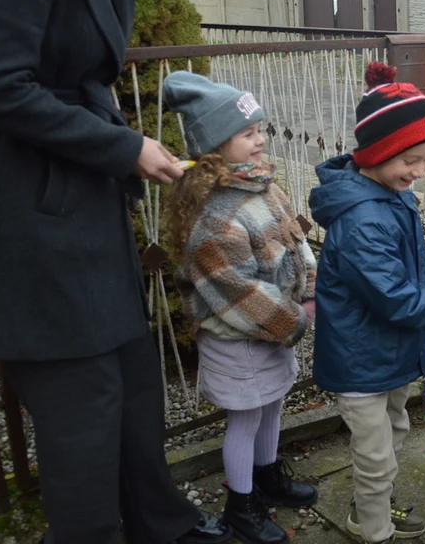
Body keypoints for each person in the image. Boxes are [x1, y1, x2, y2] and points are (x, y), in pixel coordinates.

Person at [0, 0, 231, 542]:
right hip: (29, 215)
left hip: (81, 205)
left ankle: (164, 526)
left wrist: (124, 150)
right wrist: (125, 146)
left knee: (133, 385)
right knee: (81, 406)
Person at [309, 63, 425, 544]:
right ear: (378, 152)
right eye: (409, 159)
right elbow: (396, 298)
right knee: (375, 453)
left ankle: (373, 501)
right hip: (361, 360)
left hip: (385, 352)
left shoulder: (388, 195)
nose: (418, 171)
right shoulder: (362, 221)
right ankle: (373, 530)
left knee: (392, 433)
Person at [164, 72, 319, 544]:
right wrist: (295, 319)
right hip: (240, 342)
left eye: (261, 129)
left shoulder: (262, 187)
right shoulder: (214, 216)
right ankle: (240, 505)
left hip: (274, 332)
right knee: (246, 418)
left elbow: (296, 241)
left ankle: (267, 476)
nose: (261, 140)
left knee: (272, 405)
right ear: (215, 147)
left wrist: (309, 289)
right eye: (248, 133)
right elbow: (235, 290)